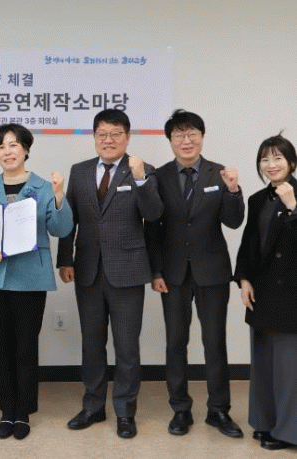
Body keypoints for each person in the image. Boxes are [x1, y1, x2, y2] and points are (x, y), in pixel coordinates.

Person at [58, 109, 163, 439]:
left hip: (128, 271)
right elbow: (69, 219)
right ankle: (93, 406)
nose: (109, 140)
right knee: (92, 344)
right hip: (88, 270)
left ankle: (125, 412)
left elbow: (154, 215)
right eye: (102, 134)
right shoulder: (80, 171)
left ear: (127, 137)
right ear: (94, 137)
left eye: (116, 134)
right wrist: (65, 259)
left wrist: (141, 180)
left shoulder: (142, 170)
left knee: (127, 347)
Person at [144, 109, 244, 438]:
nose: (186, 141)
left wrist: (233, 191)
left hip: (212, 272)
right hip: (172, 273)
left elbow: (233, 221)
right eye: (179, 135)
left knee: (215, 342)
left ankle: (219, 410)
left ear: (202, 137)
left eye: (192, 134)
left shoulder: (219, 173)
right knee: (176, 342)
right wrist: (155, 270)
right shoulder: (159, 176)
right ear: (170, 140)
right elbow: (152, 228)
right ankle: (180, 408)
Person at [0, 124, 73, 440]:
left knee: (26, 347)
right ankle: (6, 409)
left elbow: (61, 229)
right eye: (1, 146)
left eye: (13, 145)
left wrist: (59, 196)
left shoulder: (44, 187)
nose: (8, 151)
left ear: (26, 149)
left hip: (30, 277)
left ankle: (23, 411)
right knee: (0, 346)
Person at [234, 134, 297, 450]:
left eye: (278, 158)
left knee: (288, 367)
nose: (271, 165)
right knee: (262, 364)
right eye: (265, 159)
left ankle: (288, 432)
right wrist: (243, 279)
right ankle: (264, 422)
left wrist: (294, 207)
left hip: (291, 295)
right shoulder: (258, 199)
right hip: (262, 292)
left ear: (292, 163)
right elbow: (249, 243)